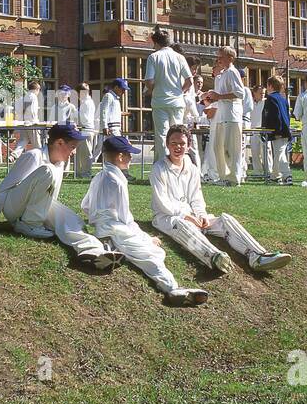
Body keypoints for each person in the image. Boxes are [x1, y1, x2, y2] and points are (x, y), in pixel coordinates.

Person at [81, 135, 209, 306]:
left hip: (103, 227)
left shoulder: (99, 176)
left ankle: (108, 245)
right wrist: (147, 238)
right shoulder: (117, 181)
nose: (131, 157)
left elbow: (85, 206)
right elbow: (126, 219)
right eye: (129, 154)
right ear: (120, 157)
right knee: (152, 255)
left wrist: (98, 219)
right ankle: (172, 289)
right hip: (117, 229)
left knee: (146, 252)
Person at [0, 122, 120, 271]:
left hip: (37, 206)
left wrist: (53, 218)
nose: (74, 152)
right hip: (14, 207)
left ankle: (96, 252)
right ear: (60, 142)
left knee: (73, 221)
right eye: (72, 147)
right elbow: (6, 185)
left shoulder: (60, 163)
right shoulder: (33, 156)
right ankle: (29, 225)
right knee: (48, 170)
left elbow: (49, 196)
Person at [150, 126, 291, 275]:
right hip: (166, 217)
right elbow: (162, 202)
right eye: (173, 143)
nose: (177, 147)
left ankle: (258, 256)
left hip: (191, 215)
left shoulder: (191, 168)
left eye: (182, 143)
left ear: (188, 146)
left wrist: (201, 215)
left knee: (225, 220)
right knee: (183, 225)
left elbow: (196, 197)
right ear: (167, 144)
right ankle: (213, 257)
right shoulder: (158, 169)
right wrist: (186, 216)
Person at [145, 29, 193, 162]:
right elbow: (190, 81)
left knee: (162, 135)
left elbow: (149, 81)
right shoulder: (180, 57)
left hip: (160, 102)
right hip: (177, 102)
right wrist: (179, 92)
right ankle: (178, 163)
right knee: (178, 136)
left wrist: (154, 91)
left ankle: (163, 166)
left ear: (155, 43)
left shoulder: (154, 57)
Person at [202, 47, 246, 186]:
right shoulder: (223, 75)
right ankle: (224, 177)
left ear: (230, 58)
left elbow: (240, 93)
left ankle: (233, 179)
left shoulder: (233, 72)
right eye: (218, 56)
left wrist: (219, 96)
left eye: (221, 57)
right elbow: (220, 96)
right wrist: (212, 97)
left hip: (231, 116)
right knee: (218, 147)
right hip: (222, 116)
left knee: (231, 148)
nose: (218, 59)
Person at [10, 80, 42, 159]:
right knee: (36, 143)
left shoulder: (23, 97)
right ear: (36, 89)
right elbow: (32, 111)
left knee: (23, 141)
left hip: (24, 123)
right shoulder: (33, 96)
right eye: (39, 90)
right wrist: (35, 121)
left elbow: (17, 109)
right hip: (32, 123)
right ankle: (39, 159)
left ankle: (13, 155)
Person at [248, 82, 269, 180]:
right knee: (255, 152)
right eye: (260, 93)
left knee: (266, 152)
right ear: (254, 93)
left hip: (264, 130)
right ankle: (258, 172)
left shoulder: (267, 102)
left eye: (264, 93)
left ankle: (269, 172)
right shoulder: (250, 103)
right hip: (253, 130)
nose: (263, 95)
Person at [77, 82, 97, 176]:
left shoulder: (86, 103)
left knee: (86, 153)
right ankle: (82, 171)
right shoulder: (86, 102)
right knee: (83, 152)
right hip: (85, 129)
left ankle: (86, 172)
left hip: (86, 129)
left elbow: (83, 118)